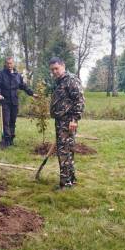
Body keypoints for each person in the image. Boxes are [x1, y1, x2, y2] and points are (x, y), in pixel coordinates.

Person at [49, 57, 85, 190]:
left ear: (63, 66)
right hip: (61, 121)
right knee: (67, 150)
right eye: (52, 70)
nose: (54, 72)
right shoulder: (59, 81)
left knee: (64, 151)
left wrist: (75, 119)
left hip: (68, 121)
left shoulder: (71, 80)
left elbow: (80, 100)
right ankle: (71, 179)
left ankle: (65, 183)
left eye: (56, 68)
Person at [0, 57, 38, 147]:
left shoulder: (18, 75)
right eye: (8, 63)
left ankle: (11, 139)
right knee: (5, 121)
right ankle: (5, 140)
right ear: (5, 64)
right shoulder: (0, 74)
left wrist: (32, 93)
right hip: (4, 101)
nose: (9, 65)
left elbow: (23, 86)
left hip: (14, 101)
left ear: (14, 64)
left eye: (11, 63)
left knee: (12, 121)